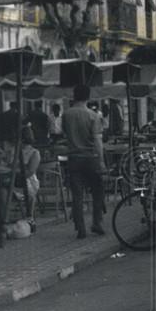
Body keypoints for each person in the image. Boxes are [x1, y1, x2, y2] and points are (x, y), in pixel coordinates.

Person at [62, 84, 106, 239]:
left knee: (77, 195)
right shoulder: (93, 116)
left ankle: (80, 228)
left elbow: (65, 134)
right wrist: (101, 161)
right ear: (88, 97)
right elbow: (97, 141)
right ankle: (97, 222)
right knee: (98, 191)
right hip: (91, 158)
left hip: (73, 158)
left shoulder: (66, 114)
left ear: (74, 96)